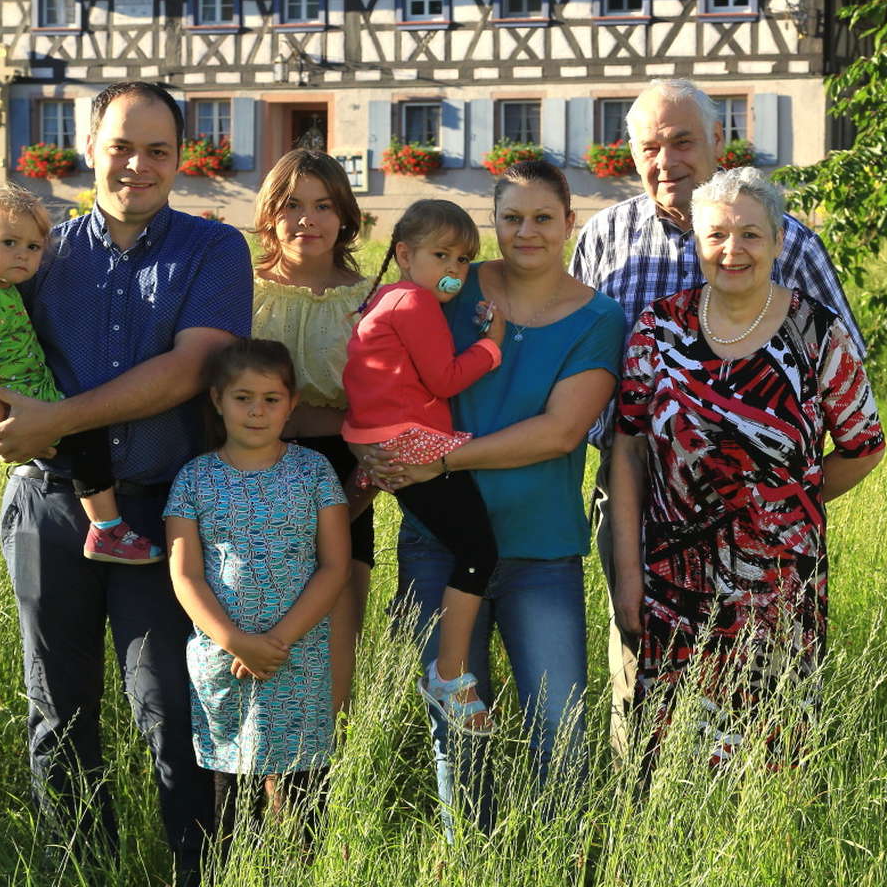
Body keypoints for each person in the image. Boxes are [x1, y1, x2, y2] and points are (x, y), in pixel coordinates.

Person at [0, 81, 251, 884]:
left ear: (181, 159)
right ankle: (79, 866)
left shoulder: (213, 251)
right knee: (59, 707)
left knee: (172, 706)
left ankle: (199, 868)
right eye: (120, 146)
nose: (136, 166)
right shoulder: (37, 245)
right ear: (89, 149)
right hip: (48, 507)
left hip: (161, 514)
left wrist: (58, 417)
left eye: (156, 150)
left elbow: (189, 370)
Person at [568, 76, 864, 757]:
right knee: (641, 664)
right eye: (649, 146)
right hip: (637, 494)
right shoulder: (605, 239)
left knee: (768, 683)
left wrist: (779, 499)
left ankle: (761, 824)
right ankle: (653, 812)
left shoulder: (787, 239)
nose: (665, 159)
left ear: (718, 144)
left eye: (681, 141)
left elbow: (842, 376)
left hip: (765, 524)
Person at [366, 160, 624, 829]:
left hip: (540, 553)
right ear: (494, 224)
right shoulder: (457, 284)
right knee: (459, 737)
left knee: (560, 734)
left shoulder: (597, 319)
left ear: (571, 223)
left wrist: (439, 459)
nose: (526, 232)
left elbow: (559, 433)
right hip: (440, 549)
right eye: (511, 218)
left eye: (543, 218)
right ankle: (468, 864)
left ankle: (560, 866)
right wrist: (375, 435)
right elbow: (396, 308)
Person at [609, 168, 885, 769]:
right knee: (669, 754)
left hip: (781, 584)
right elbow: (626, 450)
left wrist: (783, 507)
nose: (732, 250)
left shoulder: (816, 330)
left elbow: (864, 444)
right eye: (716, 236)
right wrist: (628, 571)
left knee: (772, 755)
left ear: (779, 241)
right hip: (672, 582)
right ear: (697, 244)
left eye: (750, 235)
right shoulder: (657, 328)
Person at [165, 338, 351, 853]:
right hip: (222, 658)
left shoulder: (314, 472)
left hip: (300, 655)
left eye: (271, 398)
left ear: (291, 405)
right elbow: (186, 575)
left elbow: (334, 566)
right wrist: (233, 641)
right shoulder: (195, 478)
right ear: (217, 399)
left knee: (303, 789)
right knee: (232, 796)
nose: (256, 410)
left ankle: (300, 870)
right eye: (243, 397)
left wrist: (277, 640)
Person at [343, 199, 507, 734]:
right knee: (479, 550)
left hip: (373, 440)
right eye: (442, 255)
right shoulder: (415, 303)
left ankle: (396, 619)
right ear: (405, 254)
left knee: (341, 525)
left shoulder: (387, 299)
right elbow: (444, 379)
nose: (455, 271)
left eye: (464, 260)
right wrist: (492, 346)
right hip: (409, 443)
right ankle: (447, 671)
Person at [0, 183, 156, 565]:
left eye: (33, 247)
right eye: (8, 243)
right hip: (11, 403)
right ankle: (106, 528)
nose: (21, 255)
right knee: (86, 429)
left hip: (20, 395)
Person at [249, 149, 375, 717]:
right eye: (293, 205)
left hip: (343, 474)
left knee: (332, 661)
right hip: (247, 477)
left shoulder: (371, 298)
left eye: (324, 205)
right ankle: (247, 799)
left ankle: (321, 799)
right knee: (256, 647)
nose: (308, 219)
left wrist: (360, 490)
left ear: (344, 215)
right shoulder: (238, 291)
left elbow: (393, 406)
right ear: (270, 213)